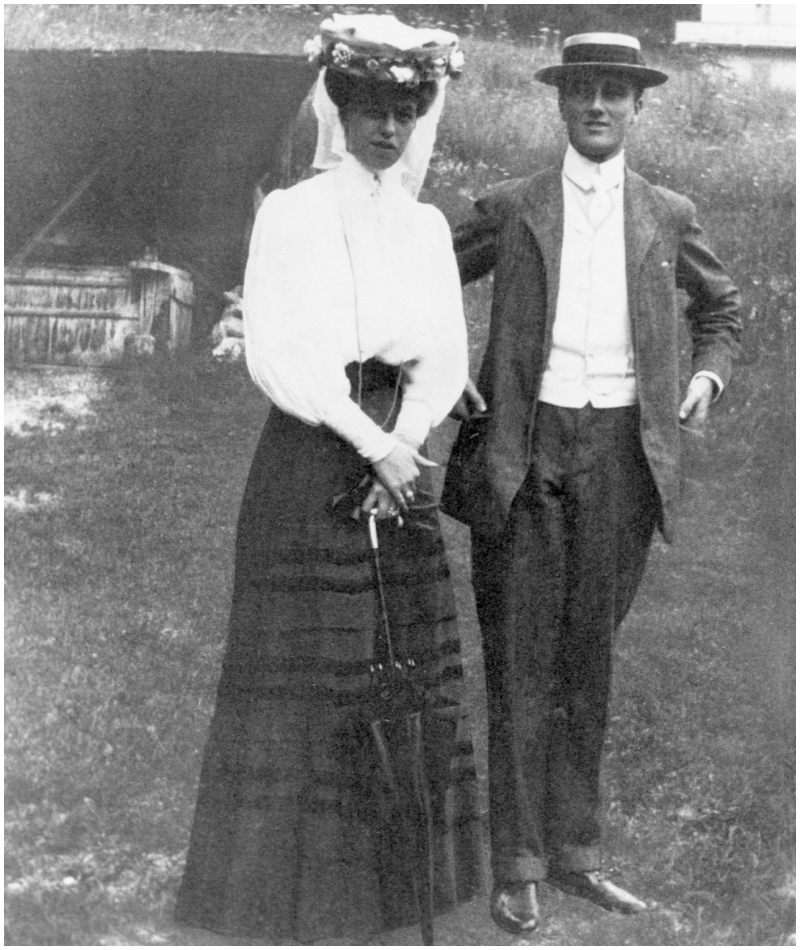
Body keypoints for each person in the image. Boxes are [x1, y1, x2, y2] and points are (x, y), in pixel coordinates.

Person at [175, 14, 483, 944]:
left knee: (397, 674)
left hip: (406, 457)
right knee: (313, 674)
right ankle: (290, 896)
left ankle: (392, 891)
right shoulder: (291, 213)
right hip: (315, 455)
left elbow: (442, 353)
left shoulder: (426, 224)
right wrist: (370, 444)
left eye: (404, 109)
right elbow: (280, 354)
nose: (387, 128)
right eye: (371, 109)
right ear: (339, 109)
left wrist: (409, 444)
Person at [442, 32, 742, 934]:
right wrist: (447, 363)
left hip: (623, 455)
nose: (600, 107)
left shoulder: (668, 211)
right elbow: (424, 275)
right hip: (525, 448)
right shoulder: (514, 204)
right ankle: (518, 863)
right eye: (584, 92)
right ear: (561, 104)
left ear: (638, 105)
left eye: (616, 92)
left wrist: (703, 376)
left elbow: (720, 310)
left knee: (588, 659)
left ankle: (578, 853)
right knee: (521, 655)